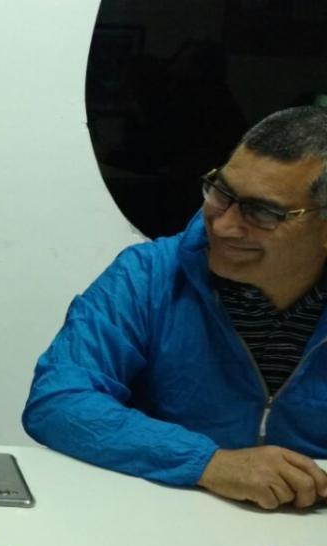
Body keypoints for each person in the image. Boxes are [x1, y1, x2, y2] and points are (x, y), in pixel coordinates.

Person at [23, 106, 327, 511]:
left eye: (262, 212)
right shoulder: (148, 275)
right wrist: (209, 462)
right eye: (221, 192)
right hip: (171, 512)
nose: (222, 225)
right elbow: (59, 400)